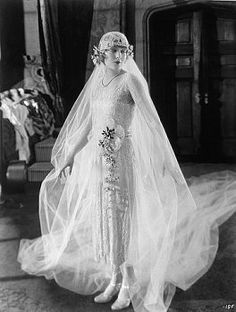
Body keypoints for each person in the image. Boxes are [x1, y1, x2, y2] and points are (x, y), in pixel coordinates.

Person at [18, 32, 236, 312]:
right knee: (105, 218)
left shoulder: (130, 81)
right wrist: (70, 156)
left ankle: (129, 283)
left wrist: (164, 159)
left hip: (123, 161)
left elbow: (153, 122)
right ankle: (115, 277)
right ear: (101, 54)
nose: (119, 56)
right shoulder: (98, 83)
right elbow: (87, 126)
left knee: (124, 219)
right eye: (113, 51)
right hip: (98, 162)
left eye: (123, 51)